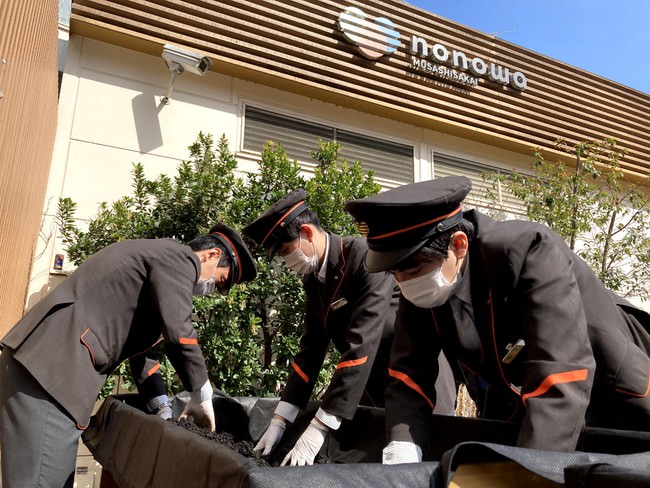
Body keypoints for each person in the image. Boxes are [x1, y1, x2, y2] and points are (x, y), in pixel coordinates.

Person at [344, 176, 650, 462]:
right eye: (395, 275)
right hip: (522, 403)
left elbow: (561, 371)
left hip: (614, 397)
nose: (404, 284)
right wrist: (402, 443)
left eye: (411, 271)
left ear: (458, 245)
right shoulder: (420, 285)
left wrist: (529, 472)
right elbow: (408, 374)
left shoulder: (528, 251)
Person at [0, 224, 256, 487]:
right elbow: (180, 331)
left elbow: (145, 358)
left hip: (50, 375)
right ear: (211, 255)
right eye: (220, 281)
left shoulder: (160, 268)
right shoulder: (177, 257)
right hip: (49, 373)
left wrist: (162, 408)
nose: (211, 290)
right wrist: (201, 393)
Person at [242, 190, 456, 466]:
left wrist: (320, 425)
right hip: (372, 386)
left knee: (428, 461)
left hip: (416, 381)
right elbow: (311, 350)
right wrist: (281, 418)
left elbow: (362, 341)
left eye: (285, 251)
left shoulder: (363, 258)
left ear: (307, 232)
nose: (287, 261)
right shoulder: (314, 281)